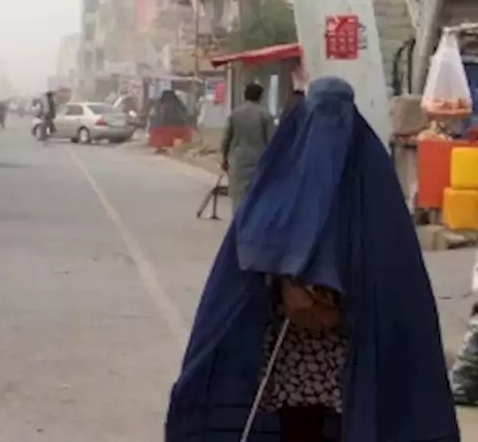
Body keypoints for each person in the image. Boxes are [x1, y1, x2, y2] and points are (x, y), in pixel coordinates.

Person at [167, 77, 458, 441]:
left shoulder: (347, 181)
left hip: (344, 341)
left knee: (331, 418)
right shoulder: (357, 179)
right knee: (308, 420)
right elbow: (248, 250)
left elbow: (391, 268)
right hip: (303, 342)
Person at [221, 83, 276, 212]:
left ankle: (238, 223)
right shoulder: (265, 115)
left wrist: (224, 159)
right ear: (261, 97)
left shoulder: (235, 114)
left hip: (238, 160)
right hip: (259, 160)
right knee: (257, 194)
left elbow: (226, 140)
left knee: (238, 195)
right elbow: (272, 141)